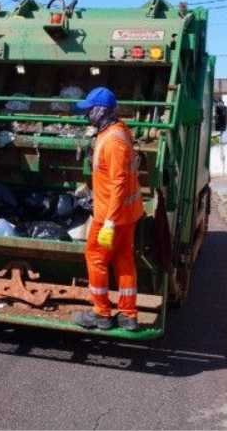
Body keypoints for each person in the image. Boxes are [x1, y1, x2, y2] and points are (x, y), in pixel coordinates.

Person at [72, 87, 144, 331]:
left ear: (101, 111)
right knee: (124, 260)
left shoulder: (113, 142)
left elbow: (119, 183)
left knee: (95, 258)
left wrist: (110, 221)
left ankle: (101, 313)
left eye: (89, 110)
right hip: (127, 213)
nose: (86, 114)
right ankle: (128, 315)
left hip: (110, 216)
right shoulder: (118, 130)